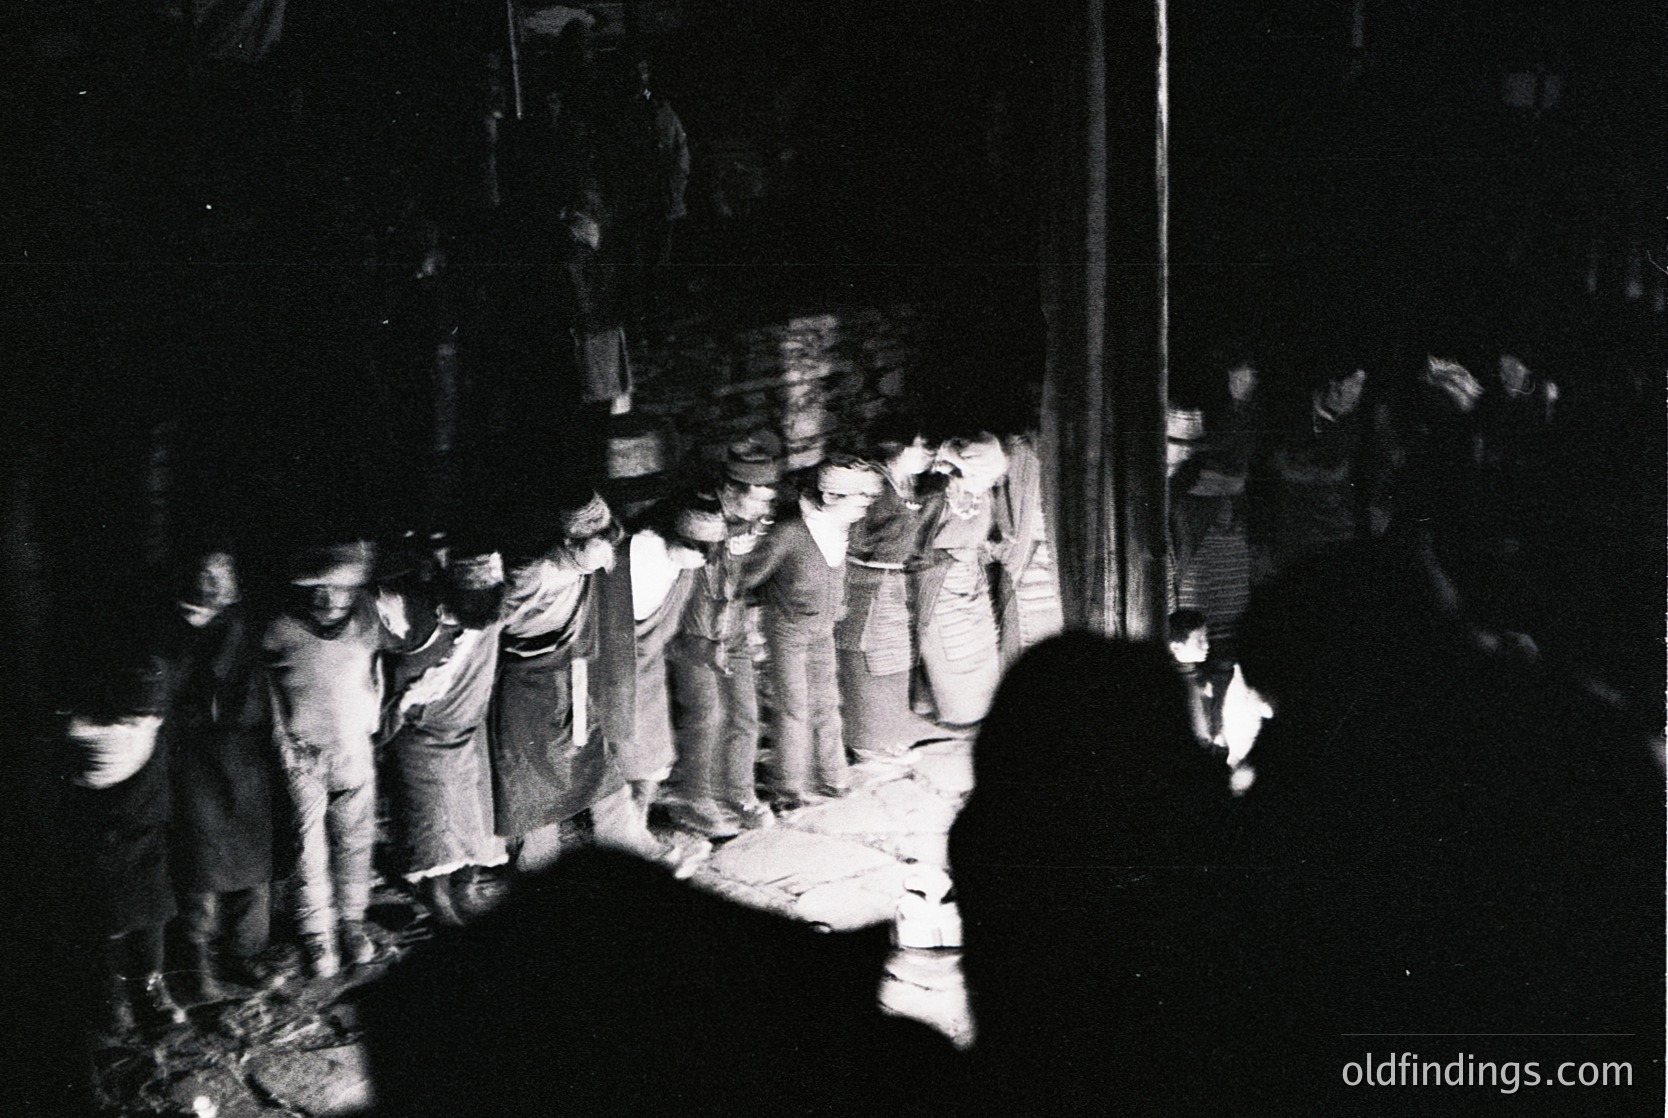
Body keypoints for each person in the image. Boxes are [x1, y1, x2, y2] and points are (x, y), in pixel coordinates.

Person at [492, 493, 689, 875]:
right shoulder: (533, 574)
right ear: (569, 544)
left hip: (574, 672)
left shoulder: (587, 564)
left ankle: (625, 839)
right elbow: (494, 622)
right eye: (597, 543)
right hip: (528, 684)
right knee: (531, 774)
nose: (607, 551)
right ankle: (537, 863)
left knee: (596, 761)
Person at [262, 540, 407, 978]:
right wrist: (283, 743)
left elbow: (389, 658)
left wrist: (376, 723)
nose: (327, 599)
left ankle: (351, 922)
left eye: (338, 589)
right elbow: (269, 692)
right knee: (308, 848)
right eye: (317, 589)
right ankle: (317, 935)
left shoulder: (366, 621)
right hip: (304, 755)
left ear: (353, 591)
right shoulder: (280, 630)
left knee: (355, 839)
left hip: (354, 750)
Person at [162, 548, 283, 1000]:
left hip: (245, 762)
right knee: (201, 872)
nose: (215, 583)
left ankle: (245, 954)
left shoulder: (242, 625)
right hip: (193, 764)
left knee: (253, 869)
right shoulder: (170, 633)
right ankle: (197, 966)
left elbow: (257, 693)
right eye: (205, 573)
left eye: (223, 573)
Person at [741, 456, 883, 810]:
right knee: (794, 709)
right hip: (788, 631)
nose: (865, 507)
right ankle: (787, 787)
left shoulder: (842, 529)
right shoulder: (789, 535)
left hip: (822, 630)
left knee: (827, 703)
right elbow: (747, 578)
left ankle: (833, 776)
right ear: (832, 497)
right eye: (860, 500)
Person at [383, 550, 511, 927]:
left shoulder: (495, 613)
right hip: (422, 734)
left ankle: (465, 886)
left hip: (470, 729)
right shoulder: (416, 617)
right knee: (432, 819)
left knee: (476, 814)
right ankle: (435, 895)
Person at [662, 440, 783, 836]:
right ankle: (694, 800)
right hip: (692, 637)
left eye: (768, 499)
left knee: (745, 716)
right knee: (706, 716)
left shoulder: (751, 524)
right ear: (733, 490)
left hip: (733, 633)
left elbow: (741, 580)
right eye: (757, 499)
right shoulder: (697, 520)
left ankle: (739, 792)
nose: (764, 509)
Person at [596, 496, 729, 829]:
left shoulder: (686, 566)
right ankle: (622, 831)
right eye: (693, 545)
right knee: (620, 753)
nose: (700, 556)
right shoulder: (631, 555)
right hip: (613, 670)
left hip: (649, 667)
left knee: (654, 753)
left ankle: (637, 821)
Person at [836, 426, 942, 762]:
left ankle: (890, 733)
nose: (929, 454)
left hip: (893, 583)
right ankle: (867, 741)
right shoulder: (876, 486)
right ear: (901, 448)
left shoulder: (908, 485)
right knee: (868, 660)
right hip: (868, 584)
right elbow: (857, 536)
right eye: (922, 446)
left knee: (895, 661)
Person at [915, 433, 1009, 727]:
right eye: (985, 476)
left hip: (972, 583)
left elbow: (976, 538)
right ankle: (955, 715)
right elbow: (915, 548)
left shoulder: (981, 494)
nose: (990, 483)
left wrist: (990, 549)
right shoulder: (937, 498)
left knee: (980, 649)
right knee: (951, 653)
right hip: (941, 586)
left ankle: (983, 711)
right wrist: (947, 560)